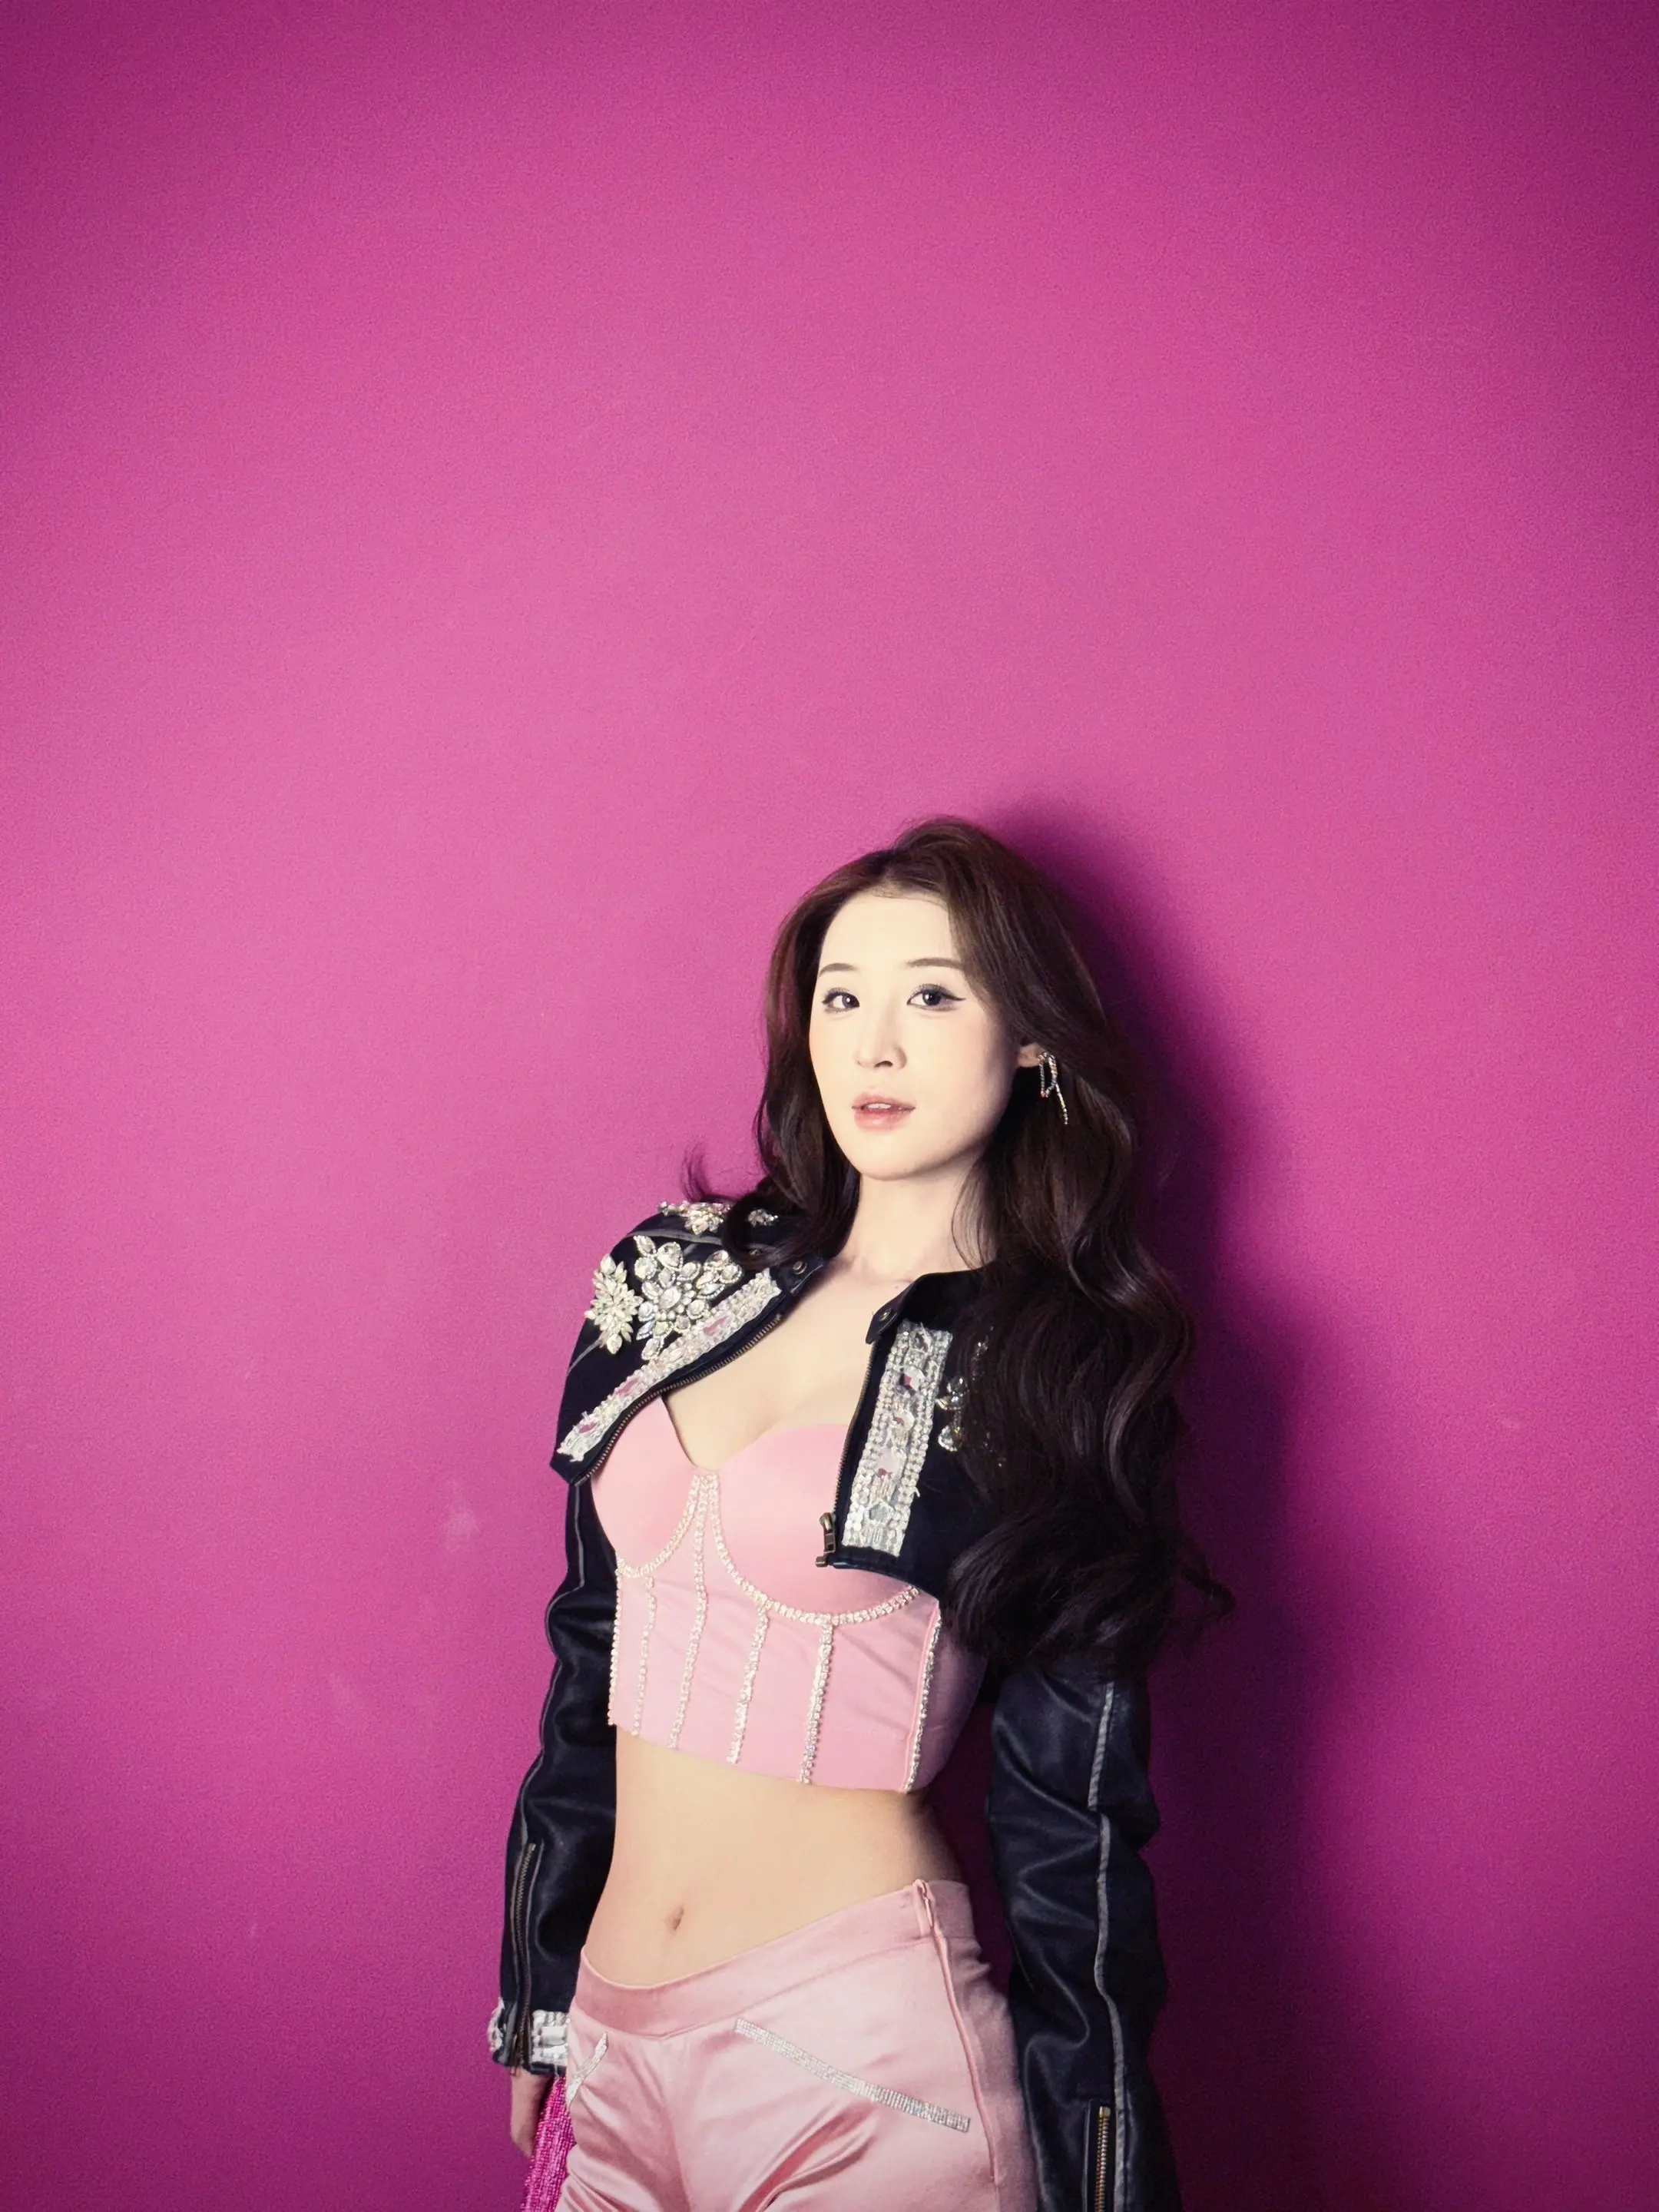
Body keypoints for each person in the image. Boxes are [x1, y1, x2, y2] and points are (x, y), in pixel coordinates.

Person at [489, 817, 1230, 2210]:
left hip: (863, 2066)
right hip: (614, 2040)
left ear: (1032, 1040)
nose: (873, 1045)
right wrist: (539, 1980)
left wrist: (1106, 2169)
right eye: (841, 997)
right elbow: (590, 1648)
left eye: (932, 996)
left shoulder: (1056, 1366)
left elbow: (1072, 1824)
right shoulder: (668, 1279)